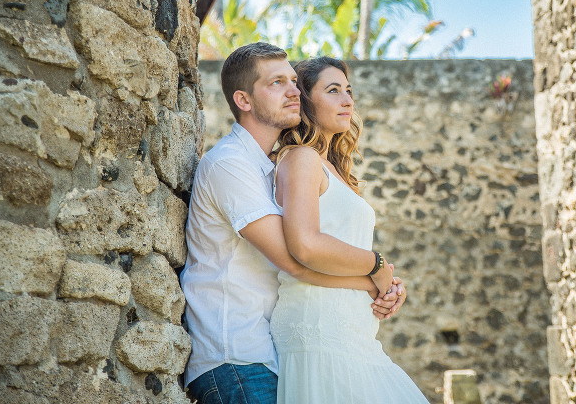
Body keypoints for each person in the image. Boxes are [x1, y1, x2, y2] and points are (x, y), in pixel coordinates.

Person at [180, 43, 406, 404]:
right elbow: (294, 258)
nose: (293, 91)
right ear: (244, 100)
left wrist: (379, 283)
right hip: (235, 357)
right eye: (276, 83)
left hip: (267, 354)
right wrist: (374, 275)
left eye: (293, 81)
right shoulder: (229, 163)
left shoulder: (270, 167)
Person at [270, 56, 429, 403]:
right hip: (318, 331)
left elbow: (344, 250)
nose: (347, 100)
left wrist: (383, 285)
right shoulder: (300, 158)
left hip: (353, 335)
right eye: (333, 90)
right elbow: (306, 246)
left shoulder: (333, 168)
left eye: (348, 91)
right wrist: (376, 265)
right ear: (306, 101)